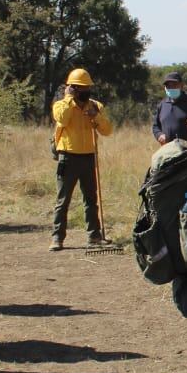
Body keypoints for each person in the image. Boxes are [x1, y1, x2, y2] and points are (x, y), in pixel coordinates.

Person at [50, 69, 115, 251]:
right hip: (68, 157)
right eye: (81, 87)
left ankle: (94, 236)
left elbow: (107, 130)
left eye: (87, 87)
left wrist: (96, 116)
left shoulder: (95, 106)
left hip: (88, 156)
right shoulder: (61, 105)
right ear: (72, 88)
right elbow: (62, 119)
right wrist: (69, 99)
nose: (86, 90)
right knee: (63, 200)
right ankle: (57, 238)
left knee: (91, 199)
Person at [152, 71, 187, 144]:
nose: (171, 88)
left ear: (181, 85)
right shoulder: (162, 105)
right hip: (168, 148)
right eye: (168, 86)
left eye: (174, 85)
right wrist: (159, 135)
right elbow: (156, 126)